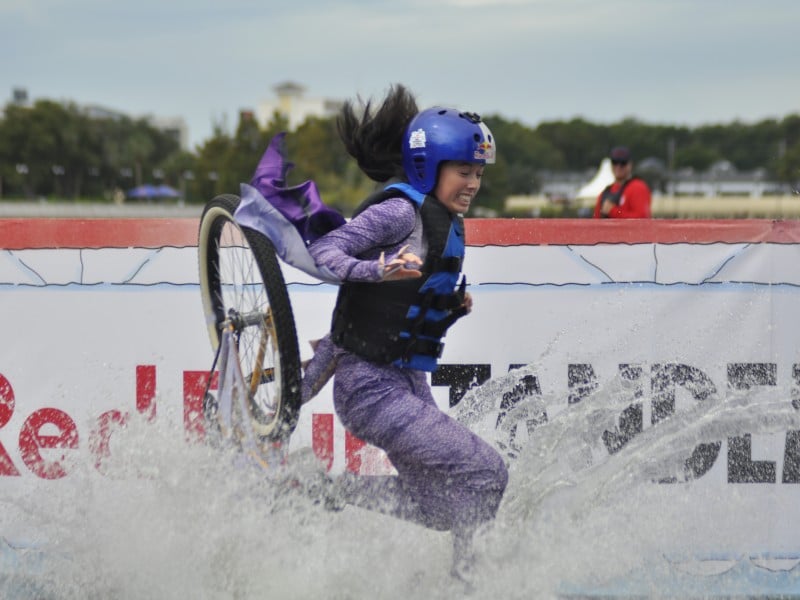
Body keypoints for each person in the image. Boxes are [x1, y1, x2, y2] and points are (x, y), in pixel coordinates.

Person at [300, 84, 508, 580]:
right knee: (487, 474)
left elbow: (402, 309)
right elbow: (325, 251)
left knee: (439, 508)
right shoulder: (399, 212)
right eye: (464, 172)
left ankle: (319, 490)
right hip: (370, 389)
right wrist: (379, 269)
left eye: (478, 173)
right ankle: (467, 586)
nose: (474, 183)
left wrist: (450, 309)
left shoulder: (446, 220)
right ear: (427, 167)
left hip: (406, 384)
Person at [593, 146, 652, 218]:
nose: (618, 166)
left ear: (630, 164)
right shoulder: (604, 193)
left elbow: (642, 218)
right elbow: (595, 221)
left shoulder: (638, 187)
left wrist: (614, 211)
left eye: (623, 163)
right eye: (615, 162)